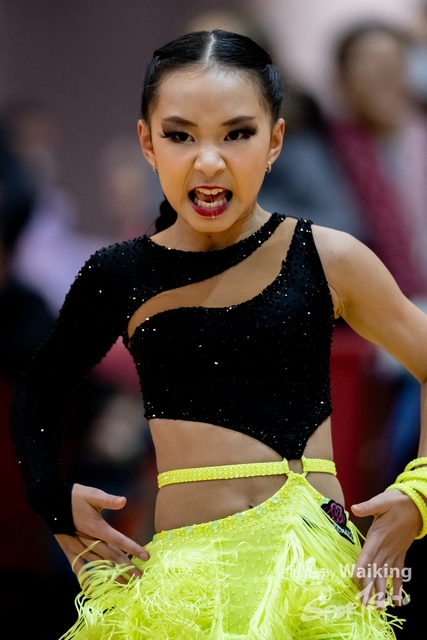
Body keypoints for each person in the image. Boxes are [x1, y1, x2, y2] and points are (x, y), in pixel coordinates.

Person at [10, 30, 427, 639]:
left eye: (237, 134)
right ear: (147, 143)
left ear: (275, 140)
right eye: (181, 136)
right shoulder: (119, 274)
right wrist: (50, 495)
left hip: (310, 586)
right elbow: (39, 389)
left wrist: (418, 496)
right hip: (179, 598)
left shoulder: (329, 258)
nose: (209, 161)